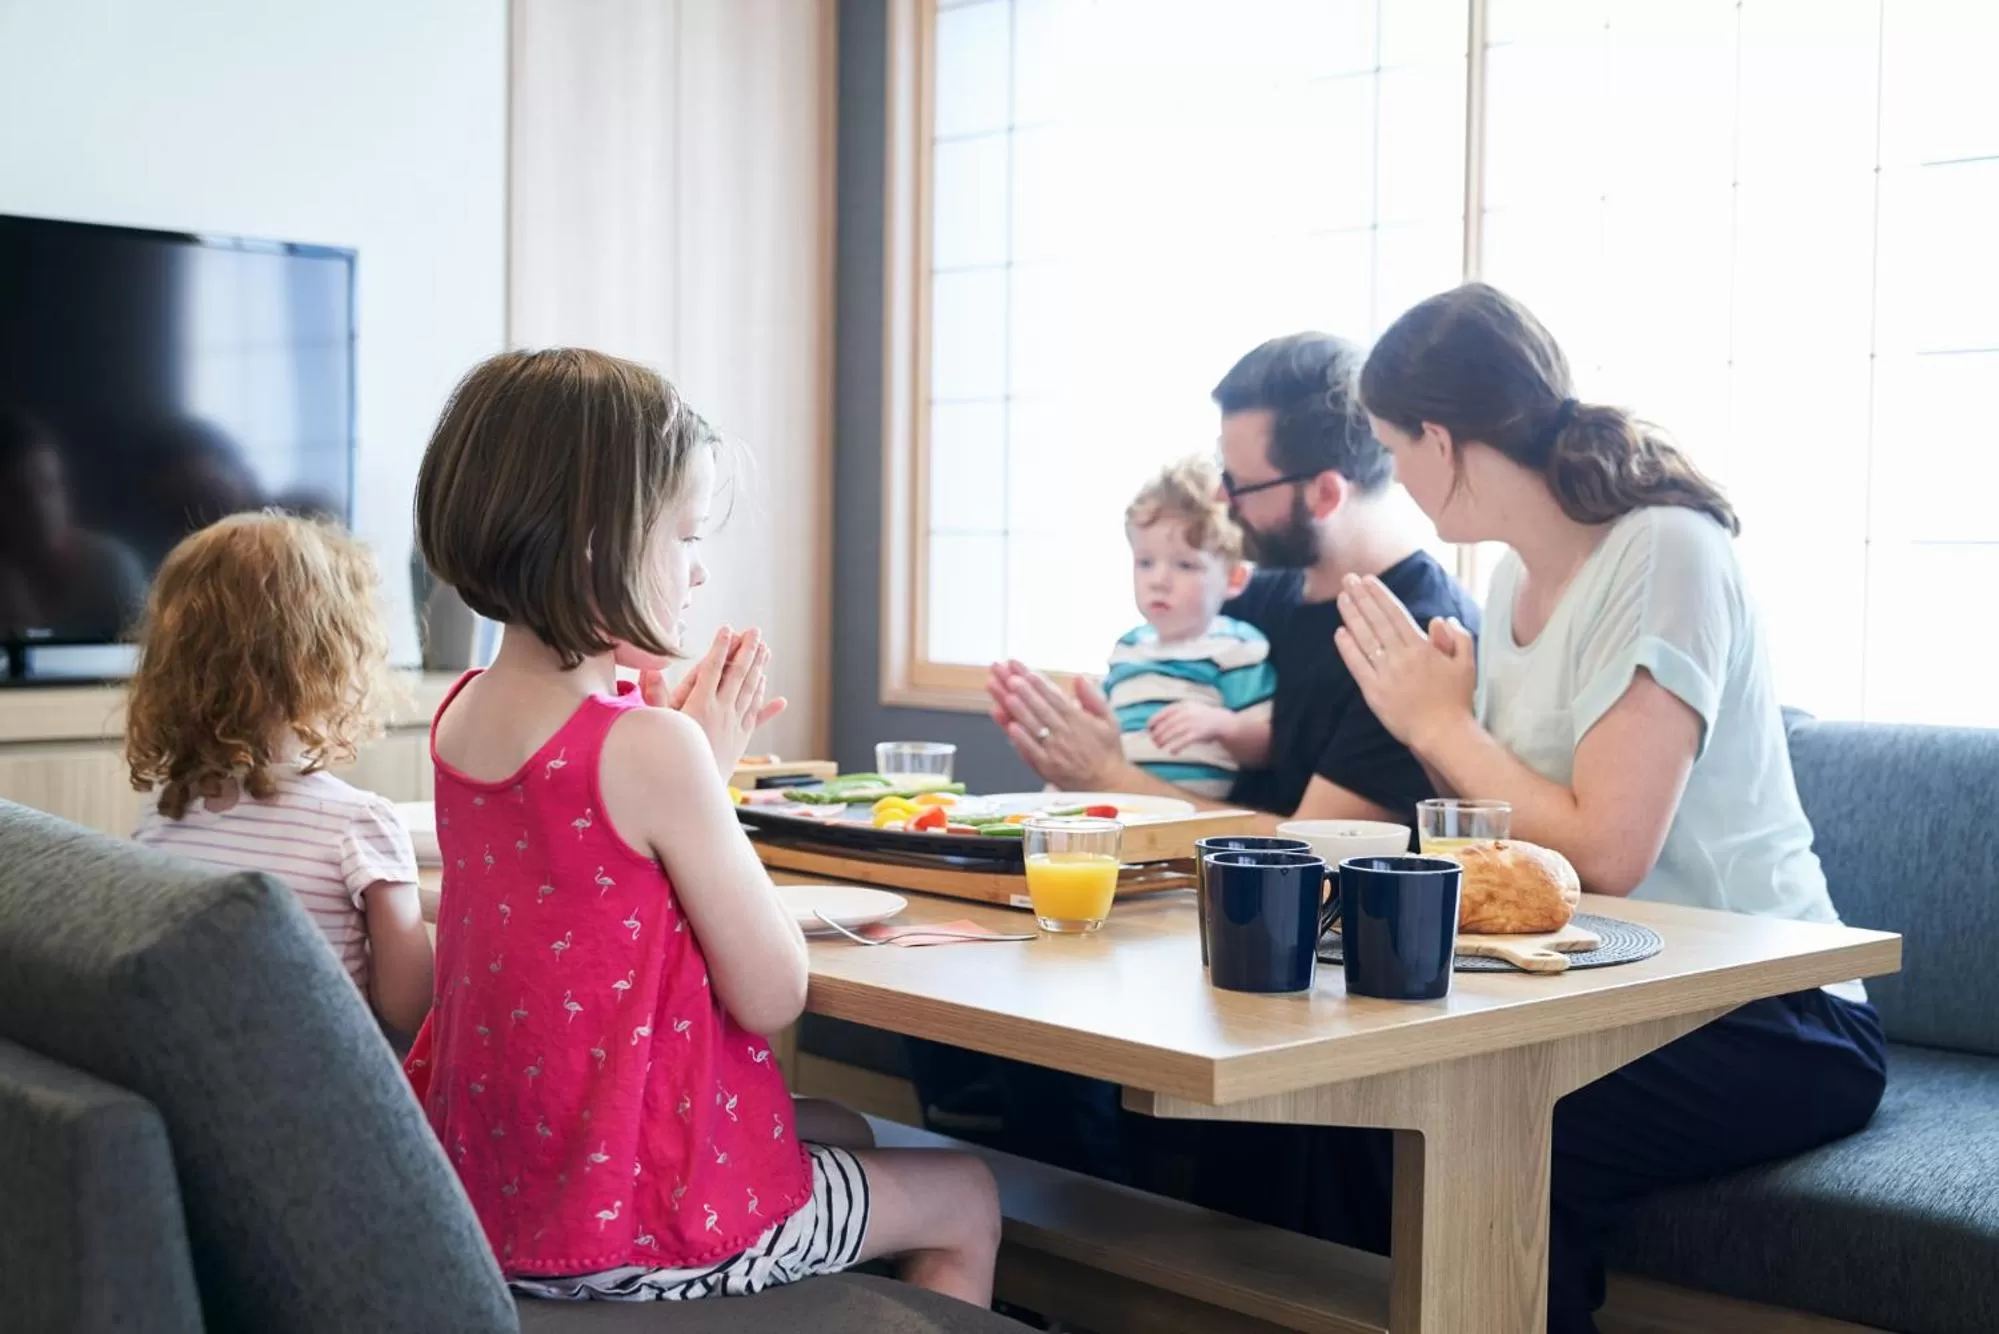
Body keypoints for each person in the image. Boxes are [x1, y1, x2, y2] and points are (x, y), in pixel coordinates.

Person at [1321, 283, 1884, 1333]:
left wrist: (1441, 724)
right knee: (1357, 1115)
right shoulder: (1508, 587)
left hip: (1775, 1010)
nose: (1396, 474)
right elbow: (1512, 853)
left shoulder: (1665, 549)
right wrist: (1432, 724)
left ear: (1440, 440)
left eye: (1396, 446)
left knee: (1491, 1132)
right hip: (1604, 990)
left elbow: (1607, 851)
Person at [402, 348, 999, 1305]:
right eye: (681, 535)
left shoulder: (460, 715)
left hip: (498, 1191)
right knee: (965, 1192)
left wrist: (688, 765)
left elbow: (600, 882)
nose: (698, 567)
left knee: (842, 1122)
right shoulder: (649, 750)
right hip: (632, 1221)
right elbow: (771, 993)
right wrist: (698, 773)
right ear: (596, 545)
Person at [989, 333, 1480, 830]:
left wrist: (1107, 776)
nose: (1222, 497)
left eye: (1240, 483)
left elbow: (1315, 846)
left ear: (1325, 495)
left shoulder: (1413, 641)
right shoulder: (1253, 597)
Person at [127, 512, 434, 1037]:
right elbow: (410, 1006)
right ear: (332, 659)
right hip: (327, 1093)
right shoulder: (357, 826)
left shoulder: (161, 818)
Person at [1108, 456, 1274, 797]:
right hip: (1120, 806)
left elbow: (1266, 746)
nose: (1159, 580)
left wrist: (1223, 725)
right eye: (1145, 562)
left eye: (1185, 564)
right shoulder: (1127, 649)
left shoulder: (1236, 647)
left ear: (1234, 578)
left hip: (1195, 819)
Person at [0, 409, 148, 638]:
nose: (38, 507)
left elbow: (147, 658)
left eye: (48, 486)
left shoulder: (110, 570)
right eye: (17, 494)